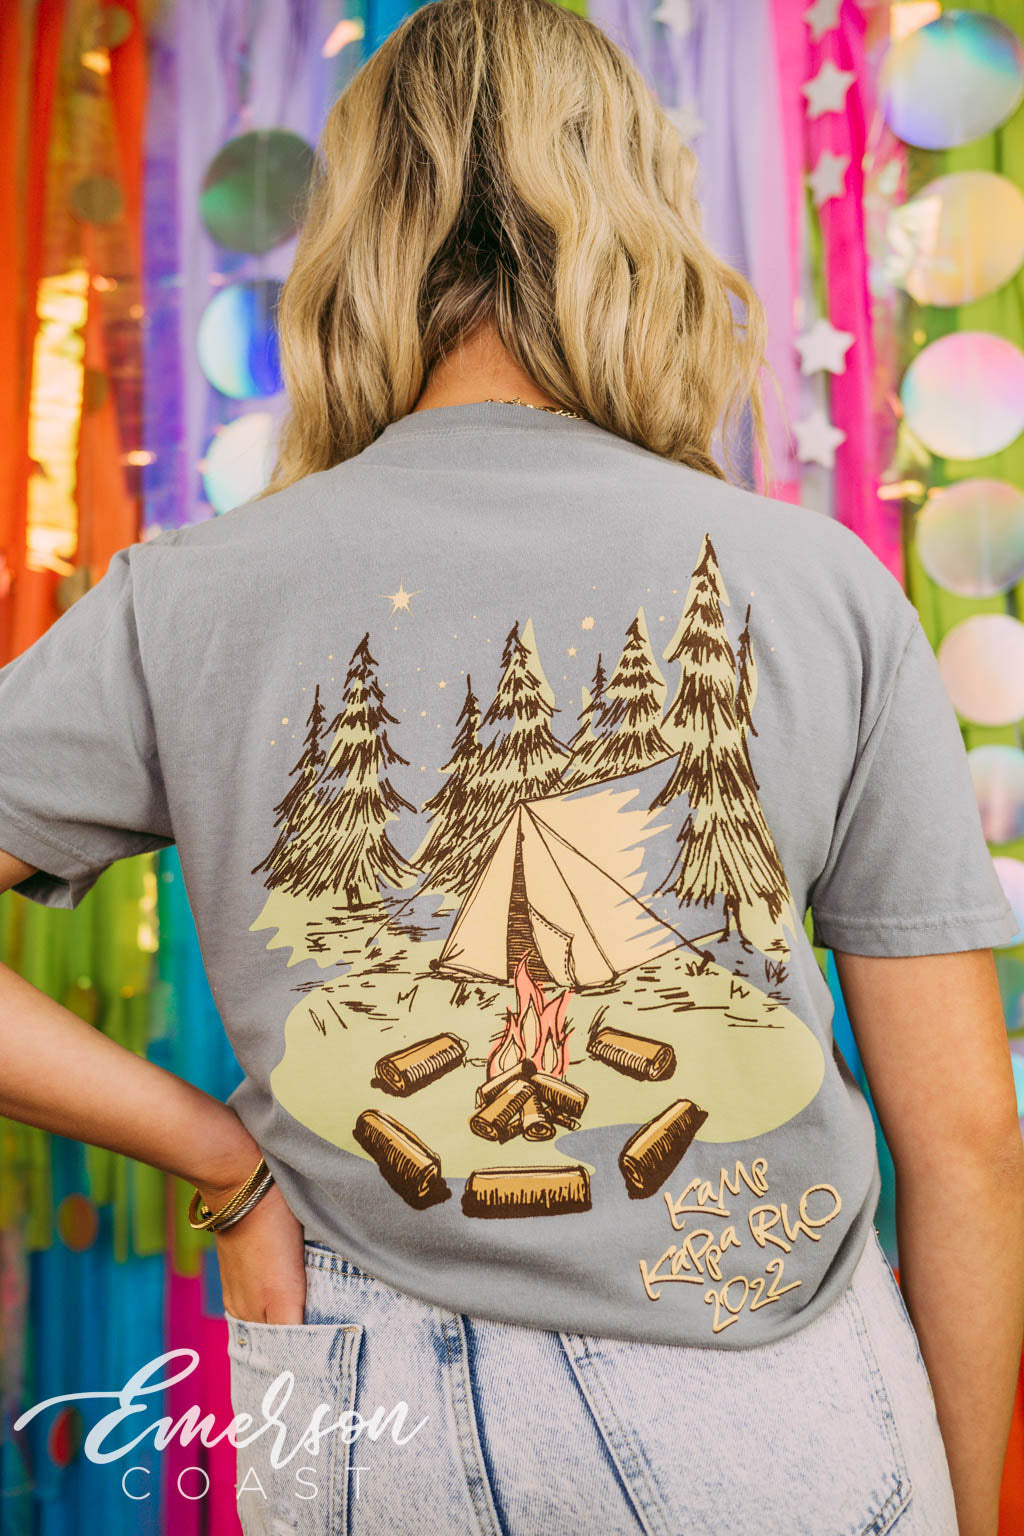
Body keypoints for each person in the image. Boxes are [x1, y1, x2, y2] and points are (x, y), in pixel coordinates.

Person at [0, 1, 1021, 1532]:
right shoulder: (821, 586)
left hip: (353, 1385)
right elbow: (967, 1144)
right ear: (643, 222)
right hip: (762, 1381)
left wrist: (216, 1150)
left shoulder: (189, 593)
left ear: (358, 238)